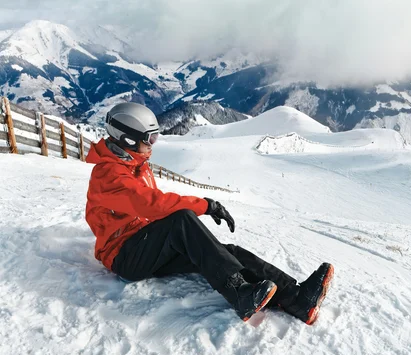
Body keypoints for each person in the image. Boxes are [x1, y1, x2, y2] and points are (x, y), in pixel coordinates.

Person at [85, 102, 334, 324]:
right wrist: (205, 205)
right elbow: (152, 204)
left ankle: (298, 299)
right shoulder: (109, 175)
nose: (153, 144)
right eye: (149, 139)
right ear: (128, 139)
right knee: (181, 220)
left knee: (227, 253)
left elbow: (151, 212)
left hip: (147, 245)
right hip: (126, 256)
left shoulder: (134, 164)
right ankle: (239, 293)